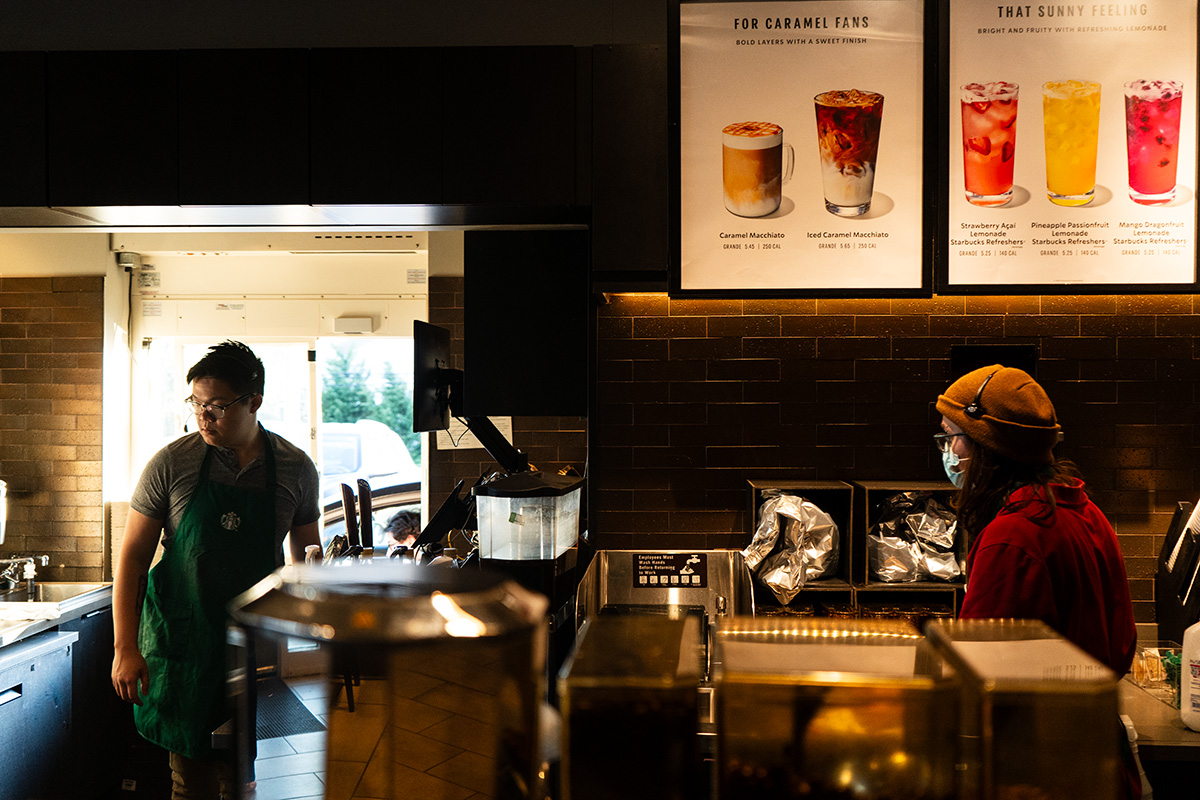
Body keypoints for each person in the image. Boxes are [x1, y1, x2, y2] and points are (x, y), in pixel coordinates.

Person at [111, 341, 322, 800]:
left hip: (250, 648)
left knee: (240, 779)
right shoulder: (171, 463)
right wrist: (125, 646)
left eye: (216, 407)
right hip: (182, 644)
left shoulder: (295, 468)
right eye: (196, 404)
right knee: (191, 781)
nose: (202, 418)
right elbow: (131, 558)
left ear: (254, 402)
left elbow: (307, 555)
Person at [935, 364, 1140, 799]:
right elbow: (1122, 646)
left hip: (1039, 774)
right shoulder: (1085, 512)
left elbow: (976, 678)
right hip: (1093, 762)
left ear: (986, 447)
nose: (947, 452)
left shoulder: (1012, 539)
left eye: (951, 437)